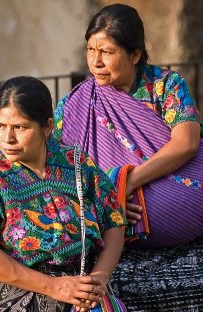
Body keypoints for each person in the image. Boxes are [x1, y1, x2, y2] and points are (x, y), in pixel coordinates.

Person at [53, 4, 203, 310]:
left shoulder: (165, 86)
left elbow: (186, 143)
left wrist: (127, 182)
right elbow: (59, 168)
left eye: (107, 52)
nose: (95, 61)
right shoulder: (75, 104)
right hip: (108, 224)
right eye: (90, 49)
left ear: (134, 54)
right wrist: (110, 196)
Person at [0, 76, 126, 311]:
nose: (8, 138)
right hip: (15, 289)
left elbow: (114, 222)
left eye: (20, 127)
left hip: (79, 283)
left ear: (47, 126)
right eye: (0, 126)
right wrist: (55, 287)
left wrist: (97, 281)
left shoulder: (76, 163)